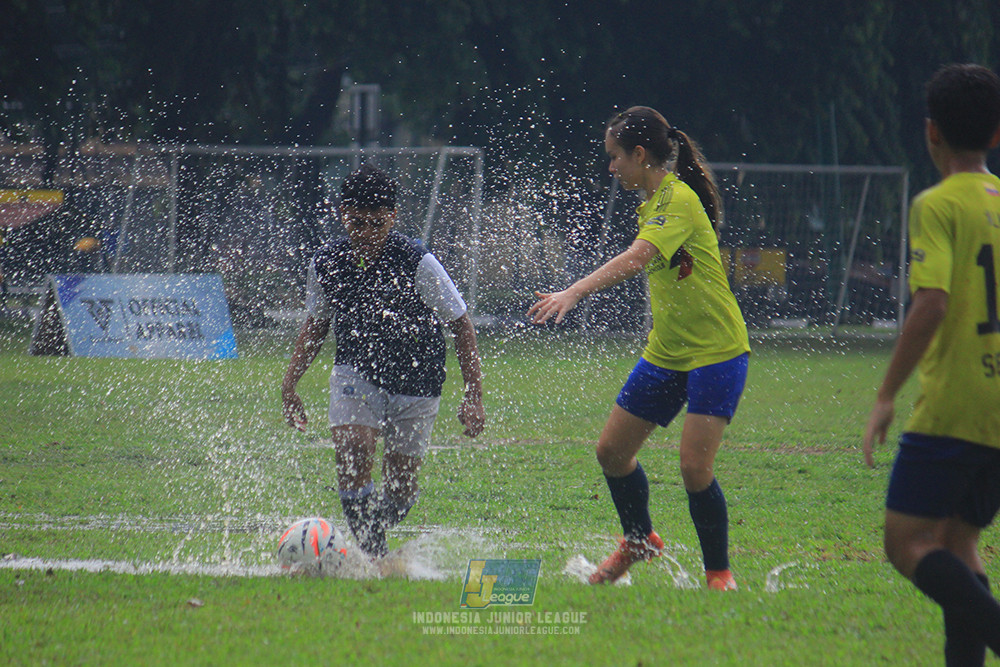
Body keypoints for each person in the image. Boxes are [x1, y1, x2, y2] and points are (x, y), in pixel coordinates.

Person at [528, 106, 750, 589]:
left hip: (717, 352)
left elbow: (638, 257)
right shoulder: (650, 201)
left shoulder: (677, 199)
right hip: (667, 353)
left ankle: (719, 576)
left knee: (694, 467)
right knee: (611, 451)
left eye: (614, 158)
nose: (611, 168)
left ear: (640, 154)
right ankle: (639, 539)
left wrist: (574, 291)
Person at [863, 64, 1000, 665]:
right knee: (958, 543)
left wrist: (887, 393)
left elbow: (932, 303)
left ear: (931, 133)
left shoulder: (938, 204)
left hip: (956, 406)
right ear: (996, 134)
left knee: (905, 543)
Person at [282, 164, 485, 559]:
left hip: (418, 382)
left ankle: (369, 535)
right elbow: (316, 324)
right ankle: (373, 559)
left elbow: (461, 325)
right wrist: (290, 384)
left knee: (400, 492)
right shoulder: (326, 264)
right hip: (356, 372)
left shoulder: (417, 262)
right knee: (354, 451)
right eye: (357, 223)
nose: (366, 235)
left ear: (392, 218)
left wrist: (473, 394)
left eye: (376, 224)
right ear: (343, 214)